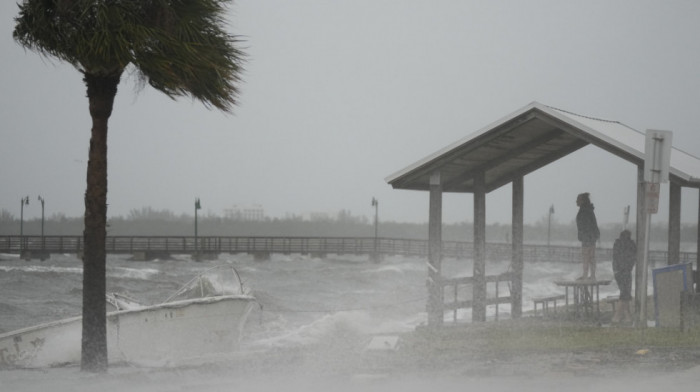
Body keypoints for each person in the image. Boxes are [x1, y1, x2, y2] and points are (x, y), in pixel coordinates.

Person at [612, 229, 636, 323]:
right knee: (625, 293)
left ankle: (626, 316)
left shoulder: (617, 244)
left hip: (618, 272)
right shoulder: (631, 245)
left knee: (624, 293)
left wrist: (616, 270)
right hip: (626, 271)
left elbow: (615, 258)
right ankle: (617, 317)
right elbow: (633, 257)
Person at [575, 192, 600, 280]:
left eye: (578, 199)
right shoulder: (588, 210)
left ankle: (586, 275)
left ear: (582, 201)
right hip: (590, 237)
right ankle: (591, 275)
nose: (576, 201)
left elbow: (586, 225)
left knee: (586, 257)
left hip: (587, 237)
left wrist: (584, 236)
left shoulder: (584, 211)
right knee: (591, 257)